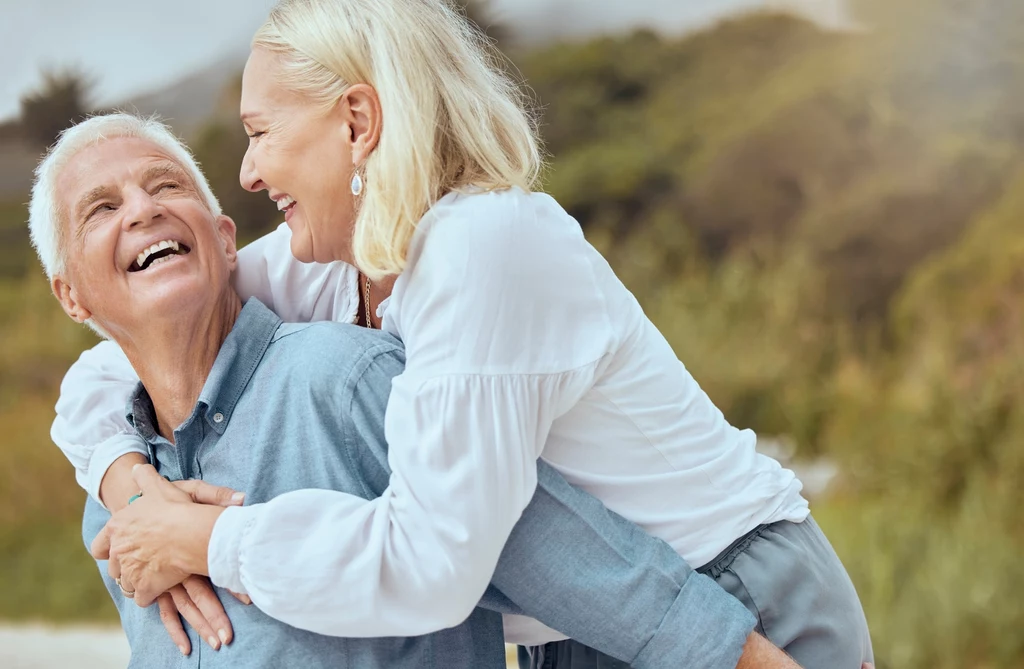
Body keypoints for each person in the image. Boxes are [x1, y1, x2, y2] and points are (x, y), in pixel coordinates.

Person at [49, 0, 874, 667]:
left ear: (357, 122)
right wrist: (134, 486)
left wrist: (204, 536)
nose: (249, 173)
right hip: (579, 632)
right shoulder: (336, 262)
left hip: (729, 600)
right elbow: (116, 361)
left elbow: (432, 566)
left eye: (261, 131)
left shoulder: (485, 248)